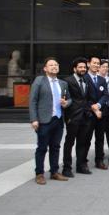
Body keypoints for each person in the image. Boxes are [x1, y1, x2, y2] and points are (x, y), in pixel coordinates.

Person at [29, 57, 71, 185]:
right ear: (45, 68)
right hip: (43, 120)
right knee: (42, 148)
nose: (54, 67)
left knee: (55, 147)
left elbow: (70, 100)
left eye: (56, 65)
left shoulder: (63, 83)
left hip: (58, 120)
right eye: (51, 65)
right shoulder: (39, 81)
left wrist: (66, 103)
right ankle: (39, 173)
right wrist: (34, 119)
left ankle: (54, 172)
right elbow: (33, 101)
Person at [63, 57, 93, 176]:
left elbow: (87, 98)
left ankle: (80, 166)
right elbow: (66, 99)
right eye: (80, 67)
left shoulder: (86, 80)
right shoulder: (67, 81)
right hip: (73, 117)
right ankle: (67, 168)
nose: (83, 69)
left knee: (82, 143)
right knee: (69, 143)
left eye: (84, 67)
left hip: (85, 117)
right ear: (75, 68)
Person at [85, 56, 109, 170]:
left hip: (101, 114)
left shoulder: (102, 80)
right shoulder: (84, 78)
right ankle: (83, 162)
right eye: (94, 63)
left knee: (100, 139)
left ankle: (99, 161)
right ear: (88, 64)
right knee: (86, 139)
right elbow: (83, 97)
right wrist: (94, 108)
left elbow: (106, 95)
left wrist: (99, 105)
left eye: (98, 63)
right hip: (89, 114)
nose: (96, 65)